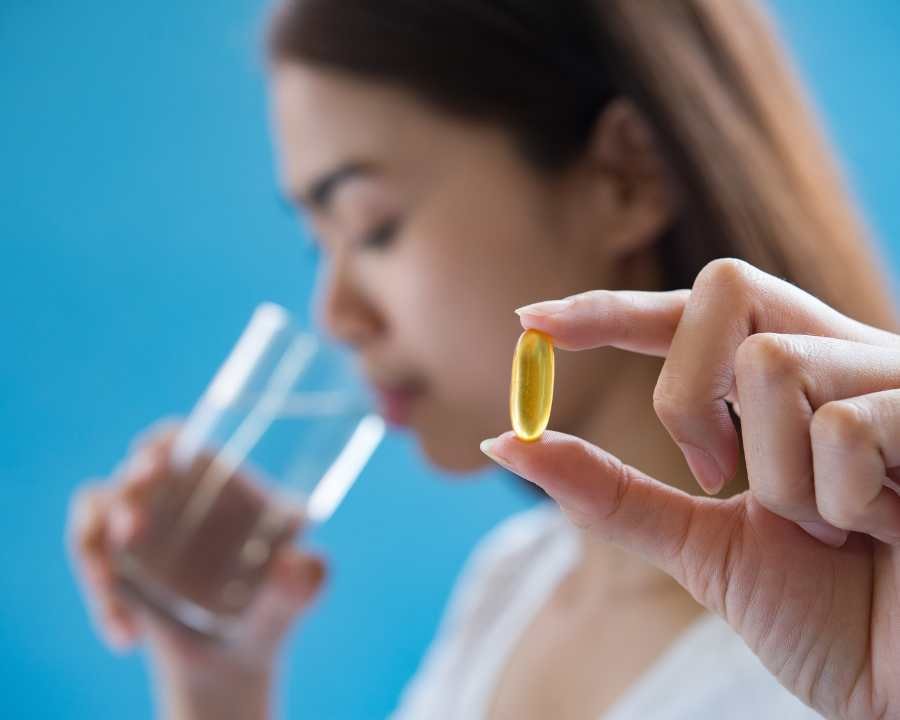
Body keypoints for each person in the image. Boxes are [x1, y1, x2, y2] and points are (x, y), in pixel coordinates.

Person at [66, 1, 900, 718]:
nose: (335, 313)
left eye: (372, 226)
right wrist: (219, 687)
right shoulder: (512, 585)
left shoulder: (857, 640)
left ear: (624, 176)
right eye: (318, 246)